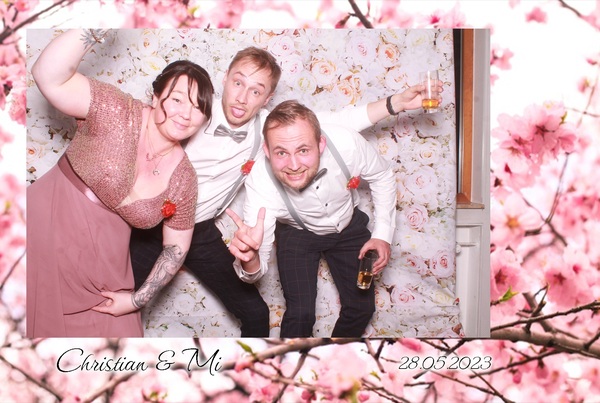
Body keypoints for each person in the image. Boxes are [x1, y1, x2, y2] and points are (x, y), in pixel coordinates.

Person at [130, 45, 440, 337]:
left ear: (267, 98)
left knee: (256, 313)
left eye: (256, 91)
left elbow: (334, 123)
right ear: (224, 79)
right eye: (238, 83)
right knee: (122, 297)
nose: (242, 98)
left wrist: (396, 103)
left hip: (199, 228)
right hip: (149, 222)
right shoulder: (192, 112)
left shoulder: (270, 129)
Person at [26, 29, 214, 338]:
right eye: (178, 99)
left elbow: (176, 248)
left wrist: (137, 299)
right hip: (41, 233)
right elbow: (48, 76)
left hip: (101, 273)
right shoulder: (116, 109)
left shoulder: (184, 178)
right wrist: (95, 24)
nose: (185, 113)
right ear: (156, 97)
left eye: (198, 107)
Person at [226, 100, 396, 337]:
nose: (294, 165)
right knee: (300, 314)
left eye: (303, 150)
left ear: (321, 144)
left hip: (348, 225)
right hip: (298, 234)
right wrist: (250, 259)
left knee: (361, 307)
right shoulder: (261, 181)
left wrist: (382, 234)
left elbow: (382, 175)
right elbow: (255, 269)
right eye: (281, 153)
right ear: (267, 151)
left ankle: (332, 357)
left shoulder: (346, 143)